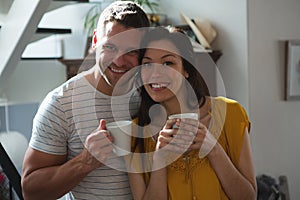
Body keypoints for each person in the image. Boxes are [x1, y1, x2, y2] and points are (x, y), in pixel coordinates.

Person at [21, 1, 150, 200]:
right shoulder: (61, 104)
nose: (119, 61)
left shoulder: (151, 92)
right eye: (110, 46)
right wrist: (85, 161)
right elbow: (30, 191)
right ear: (95, 40)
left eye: (131, 51)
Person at [127, 27, 257, 200]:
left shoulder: (230, 114)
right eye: (148, 64)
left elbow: (248, 197)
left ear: (186, 69)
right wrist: (159, 159)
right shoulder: (135, 135)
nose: (156, 73)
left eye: (168, 63)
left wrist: (214, 149)